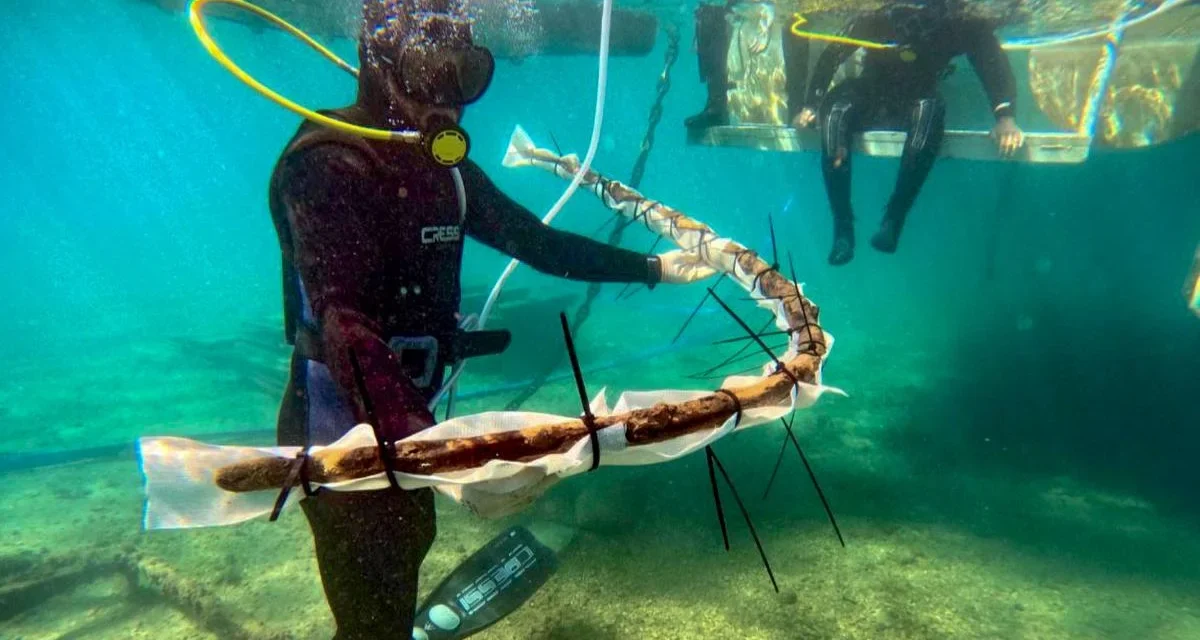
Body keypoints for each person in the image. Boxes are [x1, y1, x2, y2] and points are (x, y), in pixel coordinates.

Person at [266, 1, 716, 638]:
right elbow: (344, 324)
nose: (449, 99)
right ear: (379, 65)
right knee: (371, 604)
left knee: (405, 551)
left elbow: (539, 243)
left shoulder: (445, 172)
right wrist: (436, 453)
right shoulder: (326, 164)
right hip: (340, 422)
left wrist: (653, 268)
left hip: (407, 420)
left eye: (467, 75)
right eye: (430, 71)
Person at [793, 0, 1025, 265]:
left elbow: (990, 61)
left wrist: (1005, 116)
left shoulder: (960, 20)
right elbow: (833, 54)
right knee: (835, 111)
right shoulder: (876, 15)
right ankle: (843, 228)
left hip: (918, 94)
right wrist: (811, 104)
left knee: (930, 110)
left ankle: (894, 218)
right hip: (871, 87)